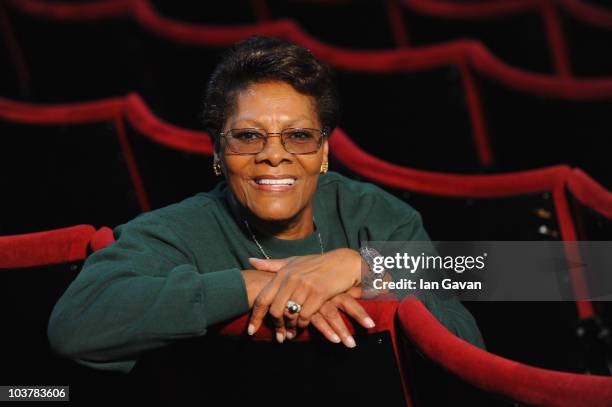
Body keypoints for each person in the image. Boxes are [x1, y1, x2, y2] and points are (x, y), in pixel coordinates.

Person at [47, 35, 484, 374]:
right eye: (249, 136)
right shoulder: (177, 231)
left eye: (298, 136)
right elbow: (75, 326)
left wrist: (364, 267)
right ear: (217, 151)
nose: (274, 154)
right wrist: (254, 286)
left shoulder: (377, 214)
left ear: (324, 151)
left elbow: (484, 320)